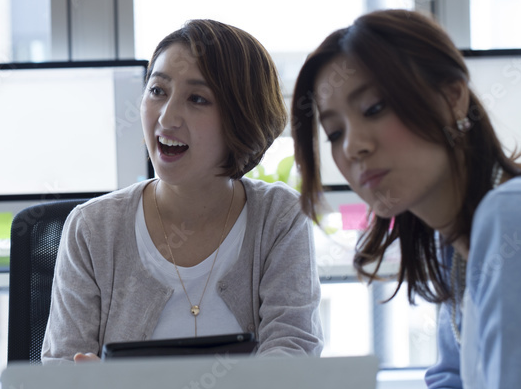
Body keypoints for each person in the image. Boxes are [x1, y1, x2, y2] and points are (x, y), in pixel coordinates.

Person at [291, 9, 521, 389]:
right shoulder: (450, 243)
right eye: (335, 132)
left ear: (453, 97)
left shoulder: (520, 216)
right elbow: (455, 385)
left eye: (375, 108)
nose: (355, 146)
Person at [42, 19, 323, 363]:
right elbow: (62, 369)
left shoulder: (279, 217)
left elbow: (293, 351)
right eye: (158, 90)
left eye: (197, 98)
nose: (167, 117)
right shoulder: (92, 227)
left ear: (242, 117)